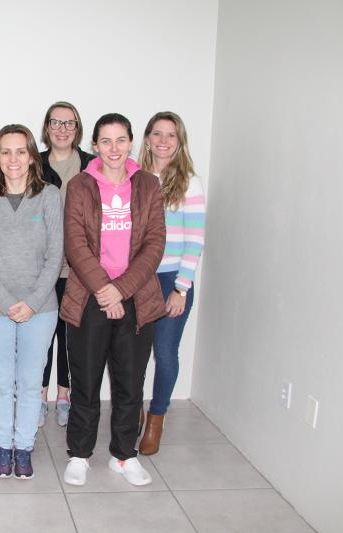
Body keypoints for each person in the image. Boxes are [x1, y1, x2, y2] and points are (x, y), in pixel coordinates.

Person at [60, 113, 166, 488]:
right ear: (95, 146)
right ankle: (79, 454)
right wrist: (105, 290)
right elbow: (75, 244)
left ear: (132, 143)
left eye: (121, 140)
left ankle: (124, 456)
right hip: (89, 296)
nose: (114, 148)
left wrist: (120, 290)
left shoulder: (149, 185)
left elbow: (155, 244)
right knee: (85, 381)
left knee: (129, 383)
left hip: (137, 298)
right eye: (106, 141)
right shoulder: (80, 185)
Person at [0, 124, 63, 479]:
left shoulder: (50, 196)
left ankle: (23, 448)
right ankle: (2, 446)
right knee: (2, 381)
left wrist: (32, 302)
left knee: (29, 382)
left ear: (31, 156)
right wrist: (8, 302)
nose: (13, 159)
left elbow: (56, 255)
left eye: (20, 151)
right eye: (5, 152)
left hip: (41, 308)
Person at [137, 111, 205, 455]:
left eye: (171, 136)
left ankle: (156, 419)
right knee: (131, 354)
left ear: (180, 143)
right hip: (137, 278)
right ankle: (131, 410)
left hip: (171, 280)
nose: (163, 141)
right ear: (147, 138)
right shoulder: (135, 177)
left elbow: (195, 241)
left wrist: (181, 288)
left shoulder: (189, 183)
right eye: (157, 134)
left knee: (164, 354)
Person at [39, 102, 96, 427]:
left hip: (80, 268)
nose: (62, 129)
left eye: (69, 123)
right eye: (56, 122)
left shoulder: (92, 166)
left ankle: (64, 394)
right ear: (47, 128)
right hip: (44, 266)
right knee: (43, 333)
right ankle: (40, 395)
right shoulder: (34, 165)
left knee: (71, 333)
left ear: (78, 128)